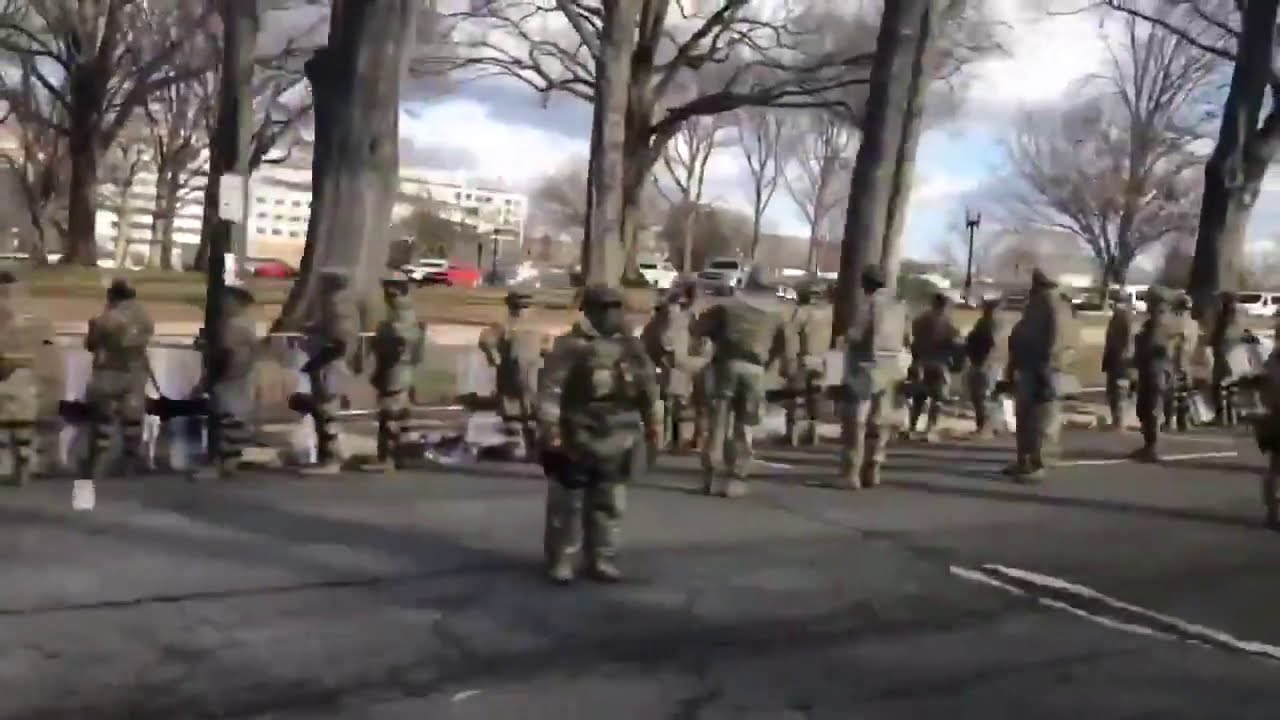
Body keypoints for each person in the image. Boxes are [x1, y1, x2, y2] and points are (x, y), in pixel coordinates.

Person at [538, 284, 660, 584]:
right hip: (577, 433)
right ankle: (563, 559)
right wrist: (551, 429)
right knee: (569, 502)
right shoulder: (571, 345)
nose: (611, 314)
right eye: (604, 308)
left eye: (616, 307)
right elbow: (551, 390)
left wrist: (654, 423)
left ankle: (602, 558)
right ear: (589, 310)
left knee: (609, 501)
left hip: (619, 434)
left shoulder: (632, 347)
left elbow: (648, 389)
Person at [691, 285, 788, 498]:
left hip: (726, 366)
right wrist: (769, 364)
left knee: (718, 424)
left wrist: (715, 339)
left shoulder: (727, 307)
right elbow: (783, 346)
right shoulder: (775, 312)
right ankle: (735, 479)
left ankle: (711, 477)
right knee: (744, 426)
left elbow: (697, 328)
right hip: (755, 371)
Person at [839, 264, 910, 489]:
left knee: (856, 421)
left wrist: (843, 339)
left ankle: (852, 473)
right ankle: (874, 467)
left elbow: (856, 334)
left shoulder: (868, 304)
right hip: (891, 368)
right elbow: (909, 337)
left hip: (865, 367)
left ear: (865, 283)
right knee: (880, 422)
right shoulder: (900, 306)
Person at [1001, 269, 1071, 482]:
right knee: (1025, 416)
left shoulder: (1054, 305)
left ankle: (1039, 463)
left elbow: (1056, 338)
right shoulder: (1036, 304)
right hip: (1028, 366)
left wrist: (1046, 368)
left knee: (1042, 417)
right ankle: (1025, 460)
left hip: (1043, 367)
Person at [83, 278, 155, 481]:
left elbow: (92, 344)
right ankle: (130, 463)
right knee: (132, 420)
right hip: (135, 372)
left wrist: (92, 330)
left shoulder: (105, 318)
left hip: (109, 372)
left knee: (104, 420)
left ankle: (96, 465)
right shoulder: (144, 318)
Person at [300, 269, 360, 474]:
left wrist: (315, 362)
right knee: (324, 411)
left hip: (330, 364)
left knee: (327, 413)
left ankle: (331, 459)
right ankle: (330, 455)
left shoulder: (337, 304)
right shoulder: (333, 303)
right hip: (327, 363)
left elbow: (339, 342)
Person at [197, 284, 260, 478]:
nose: (222, 304)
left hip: (230, 378)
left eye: (226, 300)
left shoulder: (233, 326)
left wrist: (208, 380)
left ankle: (224, 463)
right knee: (233, 421)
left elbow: (225, 355)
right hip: (241, 377)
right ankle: (229, 462)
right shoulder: (247, 323)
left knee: (228, 422)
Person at [479, 290, 546, 459]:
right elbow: (485, 340)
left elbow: (546, 347)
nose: (521, 309)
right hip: (511, 373)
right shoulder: (505, 325)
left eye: (524, 305)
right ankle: (518, 446)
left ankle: (531, 446)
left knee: (530, 412)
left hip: (530, 375)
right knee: (513, 412)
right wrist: (494, 356)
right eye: (518, 306)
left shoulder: (535, 325)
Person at [367, 271, 424, 470]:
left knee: (390, 412)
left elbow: (400, 340)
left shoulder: (400, 314)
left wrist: (380, 341)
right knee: (399, 412)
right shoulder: (401, 312)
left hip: (396, 370)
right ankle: (398, 454)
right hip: (399, 369)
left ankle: (388, 457)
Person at [0, 271, 48, 485]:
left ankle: (9, 467)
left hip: (7, 371)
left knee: (5, 424)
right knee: (23, 424)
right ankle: (25, 465)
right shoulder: (33, 312)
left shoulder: (9, 313)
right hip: (25, 372)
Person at [641, 283, 701, 451]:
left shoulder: (683, 313)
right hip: (674, 362)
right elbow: (665, 337)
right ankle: (672, 439)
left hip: (676, 361)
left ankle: (673, 439)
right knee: (674, 401)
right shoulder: (673, 313)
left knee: (674, 402)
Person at [1130, 287, 1180, 462]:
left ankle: (1152, 448)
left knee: (1151, 409)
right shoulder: (1157, 321)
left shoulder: (1160, 321)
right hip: (1152, 369)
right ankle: (1148, 445)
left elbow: (1159, 348)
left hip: (1156, 370)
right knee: (1146, 408)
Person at [783, 281, 833, 446]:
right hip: (822, 360)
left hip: (804, 358)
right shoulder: (829, 313)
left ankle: (792, 433)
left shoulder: (801, 312)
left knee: (796, 395)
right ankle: (814, 431)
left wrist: (789, 359)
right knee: (815, 397)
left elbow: (790, 335)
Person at [908, 293, 959, 442]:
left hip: (920, 362)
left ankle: (912, 427)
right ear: (945, 306)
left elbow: (913, 339)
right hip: (939, 364)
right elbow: (954, 343)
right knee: (937, 398)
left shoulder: (920, 320)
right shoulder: (947, 324)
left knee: (919, 397)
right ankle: (929, 429)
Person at [963, 298, 1003, 439]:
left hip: (983, 365)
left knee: (981, 397)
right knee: (982, 398)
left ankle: (986, 426)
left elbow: (987, 345)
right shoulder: (990, 325)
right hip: (984, 365)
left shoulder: (988, 325)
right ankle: (987, 426)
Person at [1209, 292, 1244, 426]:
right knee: (1232, 387)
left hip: (1223, 357)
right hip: (1234, 357)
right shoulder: (1237, 319)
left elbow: (1217, 339)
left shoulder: (1224, 320)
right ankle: (1233, 416)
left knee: (1218, 387)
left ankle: (1221, 416)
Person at [1101, 296, 1133, 431]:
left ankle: (1119, 422)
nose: (1114, 305)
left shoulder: (1124, 319)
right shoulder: (1117, 318)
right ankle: (1116, 421)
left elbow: (1126, 342)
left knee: (1118, 392)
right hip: (1114, 360)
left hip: (1120, 361)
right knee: (1113, 393)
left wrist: (1123, 357)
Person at [1167, 294, 1197, 432]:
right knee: (1183, 394)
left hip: (1177, 362)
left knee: (1173, 394)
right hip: (1187, 363)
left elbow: (1175, 343)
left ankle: (1171, 421)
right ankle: (1183, 421)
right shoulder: (1193, 323)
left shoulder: (1176, 323)